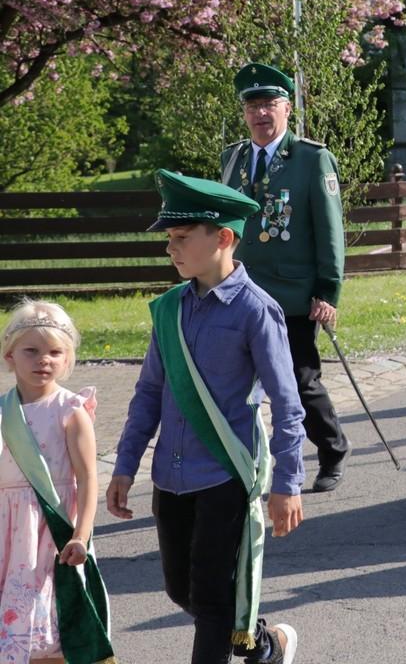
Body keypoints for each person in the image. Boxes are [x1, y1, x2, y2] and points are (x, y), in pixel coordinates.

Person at [107, 170, 305, 664]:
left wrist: (288, 483)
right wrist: (125, 465)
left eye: (180, 237)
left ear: (223, 239)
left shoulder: (256, 311)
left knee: (212, 601)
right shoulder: (169, 309)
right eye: (169, 238)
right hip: (170, 478)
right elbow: (149, 393)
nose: (170, 248)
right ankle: (264, 643)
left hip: (224, 475)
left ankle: (245, 638)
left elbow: (287, 403)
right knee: (183, 590)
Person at [220, 63, 351, 492]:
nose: (261, 113)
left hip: (292, 294)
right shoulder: (233, 158)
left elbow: (330, 231)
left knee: (297, 380)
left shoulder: (311, 159)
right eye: (253, 106)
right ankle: (244, 466)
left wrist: (327, 290)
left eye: (269, 104)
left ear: (287, 109)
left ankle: (332, 450)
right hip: (241, 290)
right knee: (235, 383)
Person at [1, 302, 115, 664]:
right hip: (9, 535)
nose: (44, 360)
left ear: (67, 359)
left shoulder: (70, 410)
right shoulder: (3, 411)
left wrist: (81, 535)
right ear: (10, 355)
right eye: (31, 351)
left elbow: (87, 478)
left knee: (53, 627)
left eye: (55, 352)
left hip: (53, 534)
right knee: (12, 630)